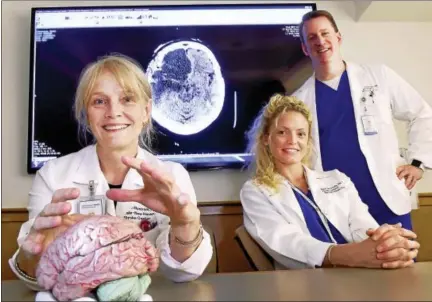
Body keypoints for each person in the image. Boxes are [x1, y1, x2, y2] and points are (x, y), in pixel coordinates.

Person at [9, 54, 213, 291]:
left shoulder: (172, 177)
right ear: (86, 114)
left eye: (127, 99)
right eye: (99, 101)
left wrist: (184, 224)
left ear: (146, 111)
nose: (113, 112)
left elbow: (182, 273)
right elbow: (32, 278)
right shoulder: (53, 175)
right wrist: (38, 250)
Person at [240, 93, 419, 270]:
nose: (293, 141)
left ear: (308, 140)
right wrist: (352, 255)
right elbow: (287, 243)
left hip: (358, 276)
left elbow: (364, 227)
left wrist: (386, 244)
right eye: (282, 132)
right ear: (265, 139)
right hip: (304, 284)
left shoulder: (337, 179)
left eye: (301, 134)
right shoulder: (255, 191)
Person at [292, 10, 432, 230]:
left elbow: (422, 113)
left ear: (338, 38)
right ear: (304, 48)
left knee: (401, 263)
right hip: (337, 211)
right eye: (311, 37)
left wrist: (418, 163)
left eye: (325, 33)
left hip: (386, 201)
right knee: (346, 264)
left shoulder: (378, 77)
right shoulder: (299, 101)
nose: (320, 41)